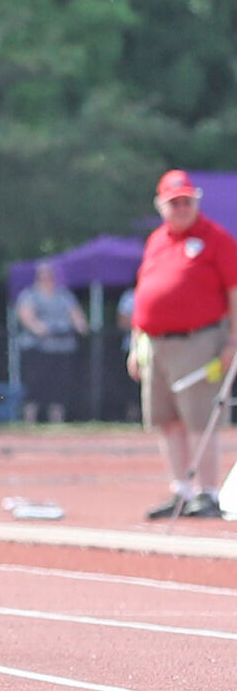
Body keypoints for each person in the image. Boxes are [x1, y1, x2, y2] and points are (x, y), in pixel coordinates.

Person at [126, 169, 237, 520]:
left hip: (199, 340)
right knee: (167, 419)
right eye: (175, 203)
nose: (182, 208)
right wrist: (135, 343)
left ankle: (207, 492)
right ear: (162, 206)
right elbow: (144, 293)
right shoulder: (157, 240)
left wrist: (232, 340)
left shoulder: (215, 238)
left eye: (187, 201)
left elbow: (234, 291)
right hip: (157, 343)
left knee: (200, 418)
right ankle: (182, 490)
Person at [15, 260, 88, 425]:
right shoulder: (30, 295)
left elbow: (78, 319)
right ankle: (29, 421)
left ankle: (57, 421)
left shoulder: (64, 295)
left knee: (60, 386)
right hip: (38, 349)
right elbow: (28, 319)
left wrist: (79, 326)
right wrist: (42, 329)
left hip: (62, 348)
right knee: (35, 385)